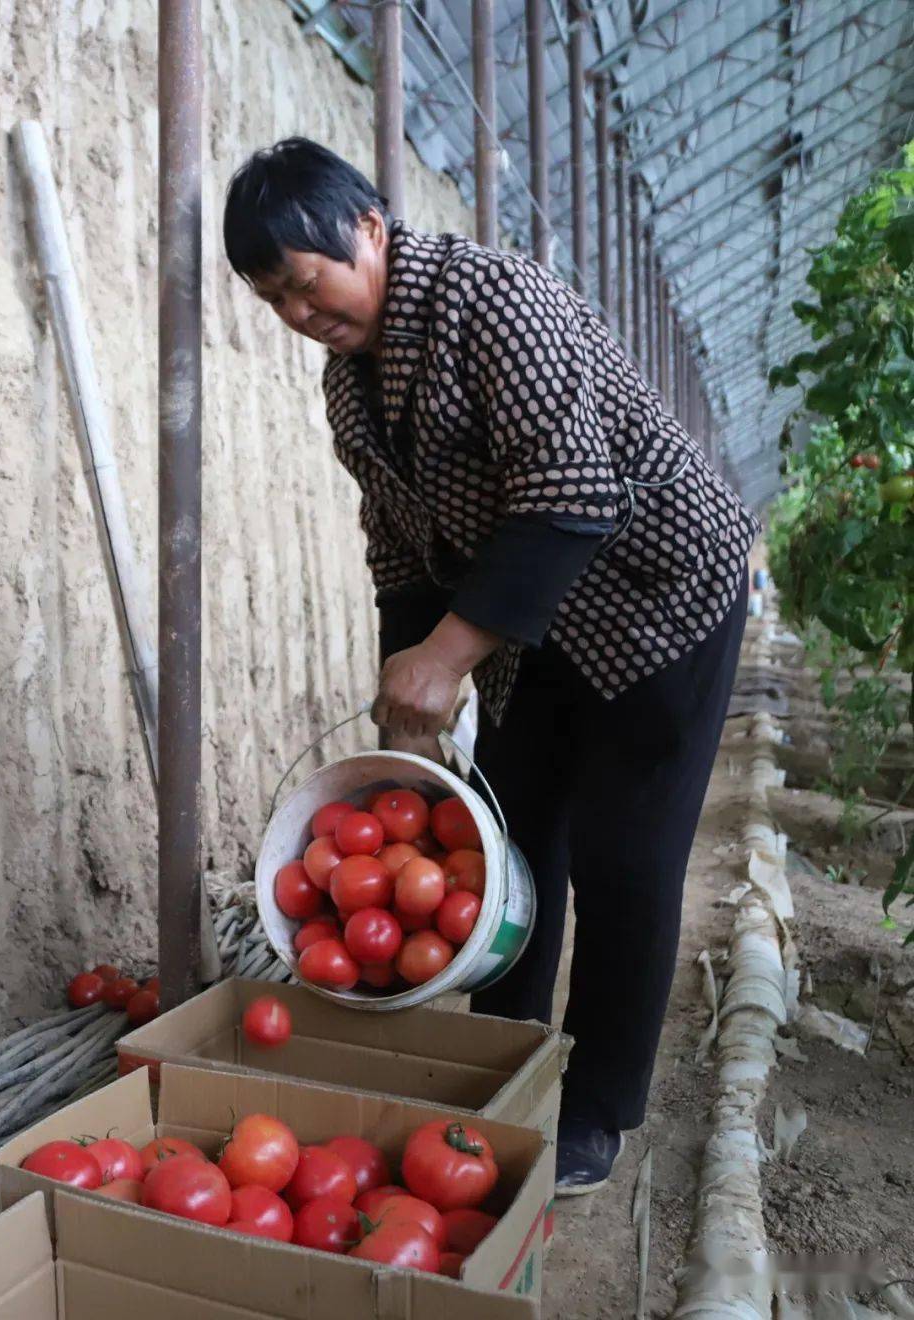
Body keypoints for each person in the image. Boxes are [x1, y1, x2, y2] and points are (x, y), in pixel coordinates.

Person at [223, 137, 758, 1195]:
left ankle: (597, 1111)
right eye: (271, 298)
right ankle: (504, 1062)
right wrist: (406, 677)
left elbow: (571, 495)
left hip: (657, 598)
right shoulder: (351, 388)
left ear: (369, 228)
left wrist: (451, 654)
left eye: (304, 280)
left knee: (624, 855)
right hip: (531, 621)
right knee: (510, 840)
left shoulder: (493, 300)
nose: (298, 312)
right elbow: (399, 544)